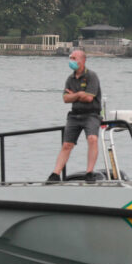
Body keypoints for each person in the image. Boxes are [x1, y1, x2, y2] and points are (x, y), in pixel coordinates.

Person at [48, 49, 102, 182]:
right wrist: (79, 94)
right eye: (70, 58)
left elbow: (89, 98)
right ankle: (55, 174)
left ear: (82, 61)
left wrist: (74, 95)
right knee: (67, 144)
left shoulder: (91, 76)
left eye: (74, 58)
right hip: (74, 115)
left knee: (92, 139)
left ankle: (89, 172)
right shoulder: (70, 79)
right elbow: (65, 99)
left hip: (91, 114)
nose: (71, 60)